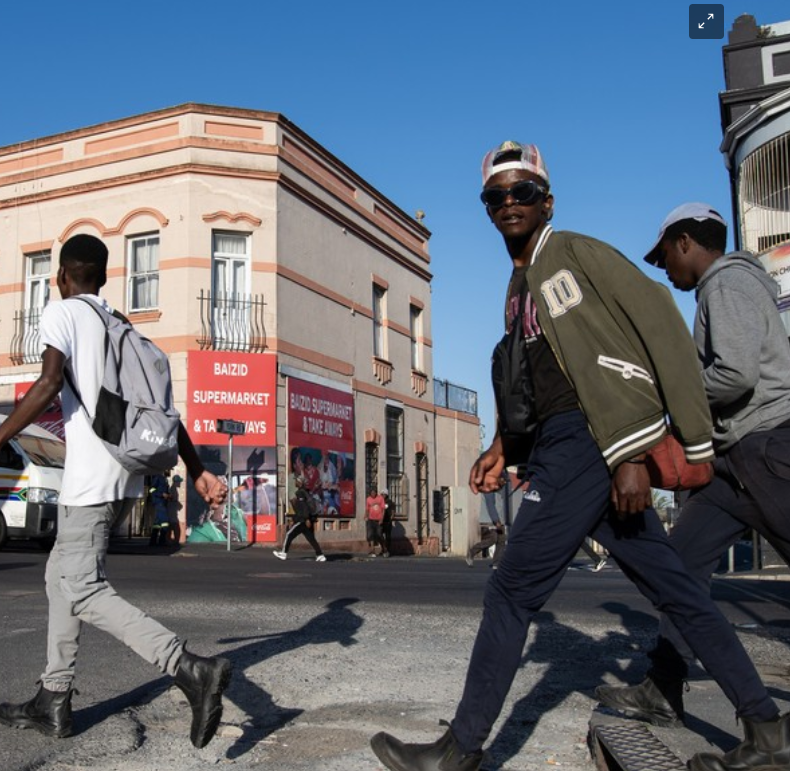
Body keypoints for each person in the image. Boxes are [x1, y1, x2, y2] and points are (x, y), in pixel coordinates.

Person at [370, 142, 785, 771]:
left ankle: (461, 750)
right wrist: (503, 444)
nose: (510, 203)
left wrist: (656, 445)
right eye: (497, 196)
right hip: (568, 445)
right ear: (487, 208)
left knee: (511, 591)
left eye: (523, 192)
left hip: (589, 444)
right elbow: (539, 380)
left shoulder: (575, 254)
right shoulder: (520, 284)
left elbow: (659, 323)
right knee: (678, 589)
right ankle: (764, 727)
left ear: (548, 201)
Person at [0, 233, 232, 749]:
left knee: (82, 587)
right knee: (60, 575)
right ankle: (53, 699)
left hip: (89, 478)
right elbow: (165, 415)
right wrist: (197, 470)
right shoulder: (120, 324)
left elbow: (46, 383)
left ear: (61, 276)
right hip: (126, 477)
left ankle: (188, 667)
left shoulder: (62, 313)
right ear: (104, 277)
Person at [595, 203, 790, 769]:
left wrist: (666, 398)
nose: (664, 271)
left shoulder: (724, 284)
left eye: (664, 258)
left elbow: (734, 375)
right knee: (681, 569)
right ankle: (663, 688)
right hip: (736, 462)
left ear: (686, 243)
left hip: (767, 447)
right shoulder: (729, 286)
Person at [273, 476, 326, 562]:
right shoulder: (305, 493)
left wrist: (304, 519)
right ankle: (320, 555)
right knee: (311, 538)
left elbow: (303, 508)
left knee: (289, 534)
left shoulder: (300, 493)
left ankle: (283, 553)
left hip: (302, 520)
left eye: (297, 481)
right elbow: (301, 508)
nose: (295, 482)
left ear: (300, 483)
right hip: (306, 520)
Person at [148, 472, 170, 546]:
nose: (169, 470)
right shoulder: (158, 477)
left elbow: (164, 491)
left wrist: (168, 495)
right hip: (158, 502)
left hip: (163, 502)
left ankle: (153, 542)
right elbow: (151, 489)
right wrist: (162, 494)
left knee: (157, 523)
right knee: (165, 521)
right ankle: (162, 541)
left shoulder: (164, 478)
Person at [365, 487, 387, 557]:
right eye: (372, 493)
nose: (373, 494)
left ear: (376, 493)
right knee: (370, 535)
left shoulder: (380, 498)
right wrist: (365, 516)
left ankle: (384, 549)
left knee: (379, 535)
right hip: (371, 520)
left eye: (374, 492)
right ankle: (372, 551)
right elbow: (367, 509)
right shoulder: (368, 499)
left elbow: (383, 509)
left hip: (378, 520)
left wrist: (382, 519)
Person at [381, 489, 395, 556]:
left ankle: (387, 550)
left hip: (387, 521)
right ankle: (383, 549)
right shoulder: (380, 502)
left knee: (388, 536)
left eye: (384, 494)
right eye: (382, 494)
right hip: (381, 521)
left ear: (386, 495)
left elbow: (392, 512)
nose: (383, 495)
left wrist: (391, 518)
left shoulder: (390, 502)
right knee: (379, 535)